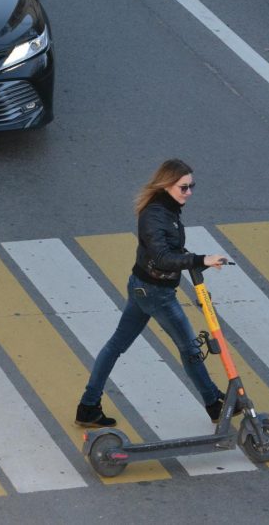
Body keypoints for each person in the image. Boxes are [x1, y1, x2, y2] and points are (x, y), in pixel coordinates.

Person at [75, 159, 229, 428]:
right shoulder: (155, 215)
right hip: (156, 293)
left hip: (143, 287)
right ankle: (214, 403)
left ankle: (88, 407)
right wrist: (200, 260)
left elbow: (168, 249)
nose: (189, 192)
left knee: (115, 346)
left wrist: (195, 260)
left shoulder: (167, 210)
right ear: (167, 185)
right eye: (184, 187)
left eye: (192, 186)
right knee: (189, 348)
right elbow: (161, 257)